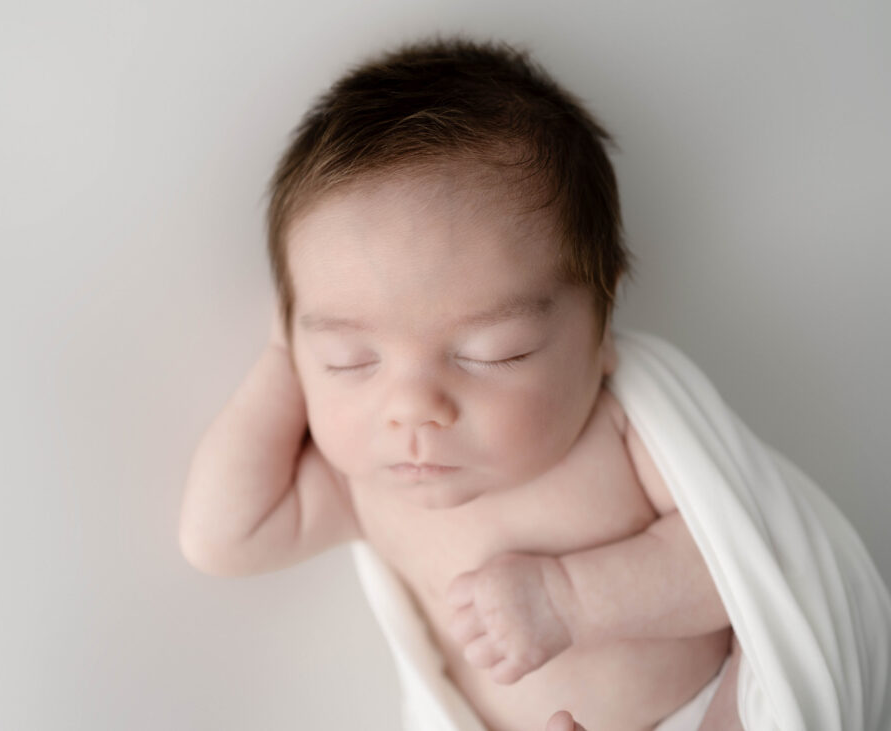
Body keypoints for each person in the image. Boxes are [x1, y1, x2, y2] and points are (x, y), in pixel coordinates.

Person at [179, 36, 744, 730]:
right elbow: (223, 535)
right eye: (351, 359)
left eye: (493, 352)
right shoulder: (372, 487)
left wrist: (572, 599)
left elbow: (744, 566)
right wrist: (282, 352)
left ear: (601, 323)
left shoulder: (617, 433)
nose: (415, 407)